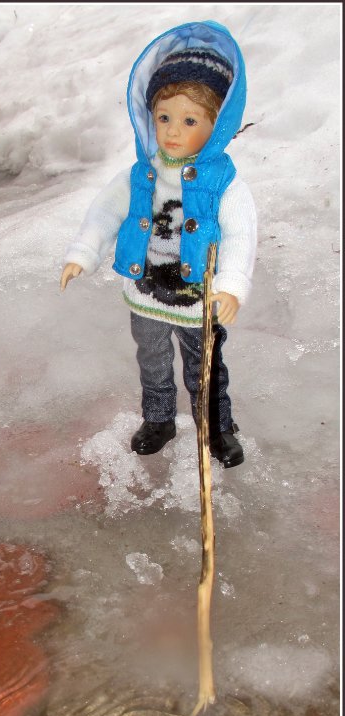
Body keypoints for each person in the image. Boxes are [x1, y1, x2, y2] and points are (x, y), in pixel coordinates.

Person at [60, 20, 257, 468]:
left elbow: (242, 234)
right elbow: (106, 212)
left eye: (190, 121)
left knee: (204, 366)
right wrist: (83, 253)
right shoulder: (141, 172)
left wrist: (230, 284)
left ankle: (216, 426)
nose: (172, 131)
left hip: (197, 297)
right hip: (144, 292)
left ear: (217, 123)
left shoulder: (223, 183)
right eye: (164, 117)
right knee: (151, 359)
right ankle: (159, 419)